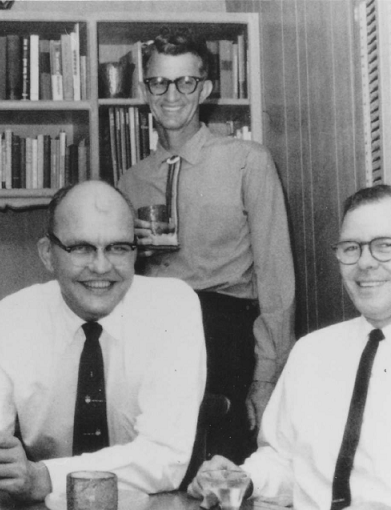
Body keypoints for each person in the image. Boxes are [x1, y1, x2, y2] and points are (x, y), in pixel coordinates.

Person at [0, 180, 207, 502]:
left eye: (117, 248)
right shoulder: (13, 317)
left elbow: (163, 458)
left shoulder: (172, 307)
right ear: (48, 254)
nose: (101, 267)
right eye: (81, 248)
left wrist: (42, 477)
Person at [190, 185, 391, 509]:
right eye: (351, 248)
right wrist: (244, 478)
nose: (365, 263)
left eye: (386, 246)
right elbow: (286, 463)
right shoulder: (312, 352)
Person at [118, 28, 295, 463]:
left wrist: (266, 377)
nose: (171, 94)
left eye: (186, 82)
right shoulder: (131, 180)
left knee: (219, 472)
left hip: (225, 338)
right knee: (155, 469)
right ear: (145, 91)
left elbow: (276, 277)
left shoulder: (248, 162)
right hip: (153, 338)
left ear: (206, 89)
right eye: (159, 82)